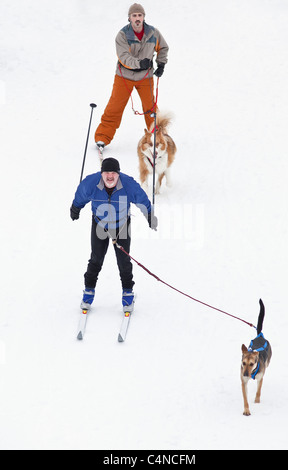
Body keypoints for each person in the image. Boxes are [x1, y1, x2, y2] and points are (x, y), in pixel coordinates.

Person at [70, 157, 158, 311]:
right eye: (106, 173)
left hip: (121, 225)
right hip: (100, 224)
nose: (110, 176)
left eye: (113, 173)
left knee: (124, 261)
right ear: (101, 173)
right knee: (96, 259)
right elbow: (81, 194)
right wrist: (76, 208)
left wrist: (149, 215)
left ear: (118, 174)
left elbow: (142, 199)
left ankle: (127, 292)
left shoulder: (128, 184)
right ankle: (88, 290)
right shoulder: (91, 183)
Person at [94, 3, 169, 156]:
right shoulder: (122, 35)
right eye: (134, 16)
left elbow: (163, 48)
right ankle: (103, 137)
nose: (137, 19)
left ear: (143, 17)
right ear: (129, 18)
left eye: (139, 15)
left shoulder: (153, 33)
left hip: (145, 77)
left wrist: (161, 63)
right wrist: (139, 63)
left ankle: (160, 137)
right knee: (115, 106)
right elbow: (123, 57)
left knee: (150, 108)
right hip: (124, 76)